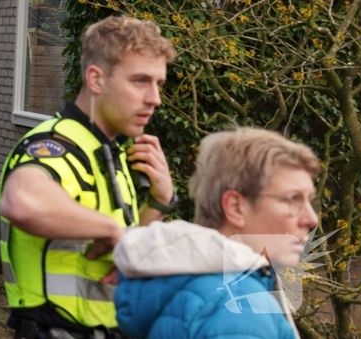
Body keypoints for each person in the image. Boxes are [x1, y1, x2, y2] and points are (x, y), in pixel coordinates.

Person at [0, 15, 178, 339]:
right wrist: (109, 228)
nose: (155, 99)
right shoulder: (55, 145)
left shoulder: (111, 150)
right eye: (140, 81)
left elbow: (122, 255)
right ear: (96, 80)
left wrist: (160, 202)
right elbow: (20, 201)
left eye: (158, 84)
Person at [113, 127, 318, 339]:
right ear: (236, 207)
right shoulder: (240, 306)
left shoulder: (192, 289)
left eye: (309, 200)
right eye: (293, 199)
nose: (312, 219)